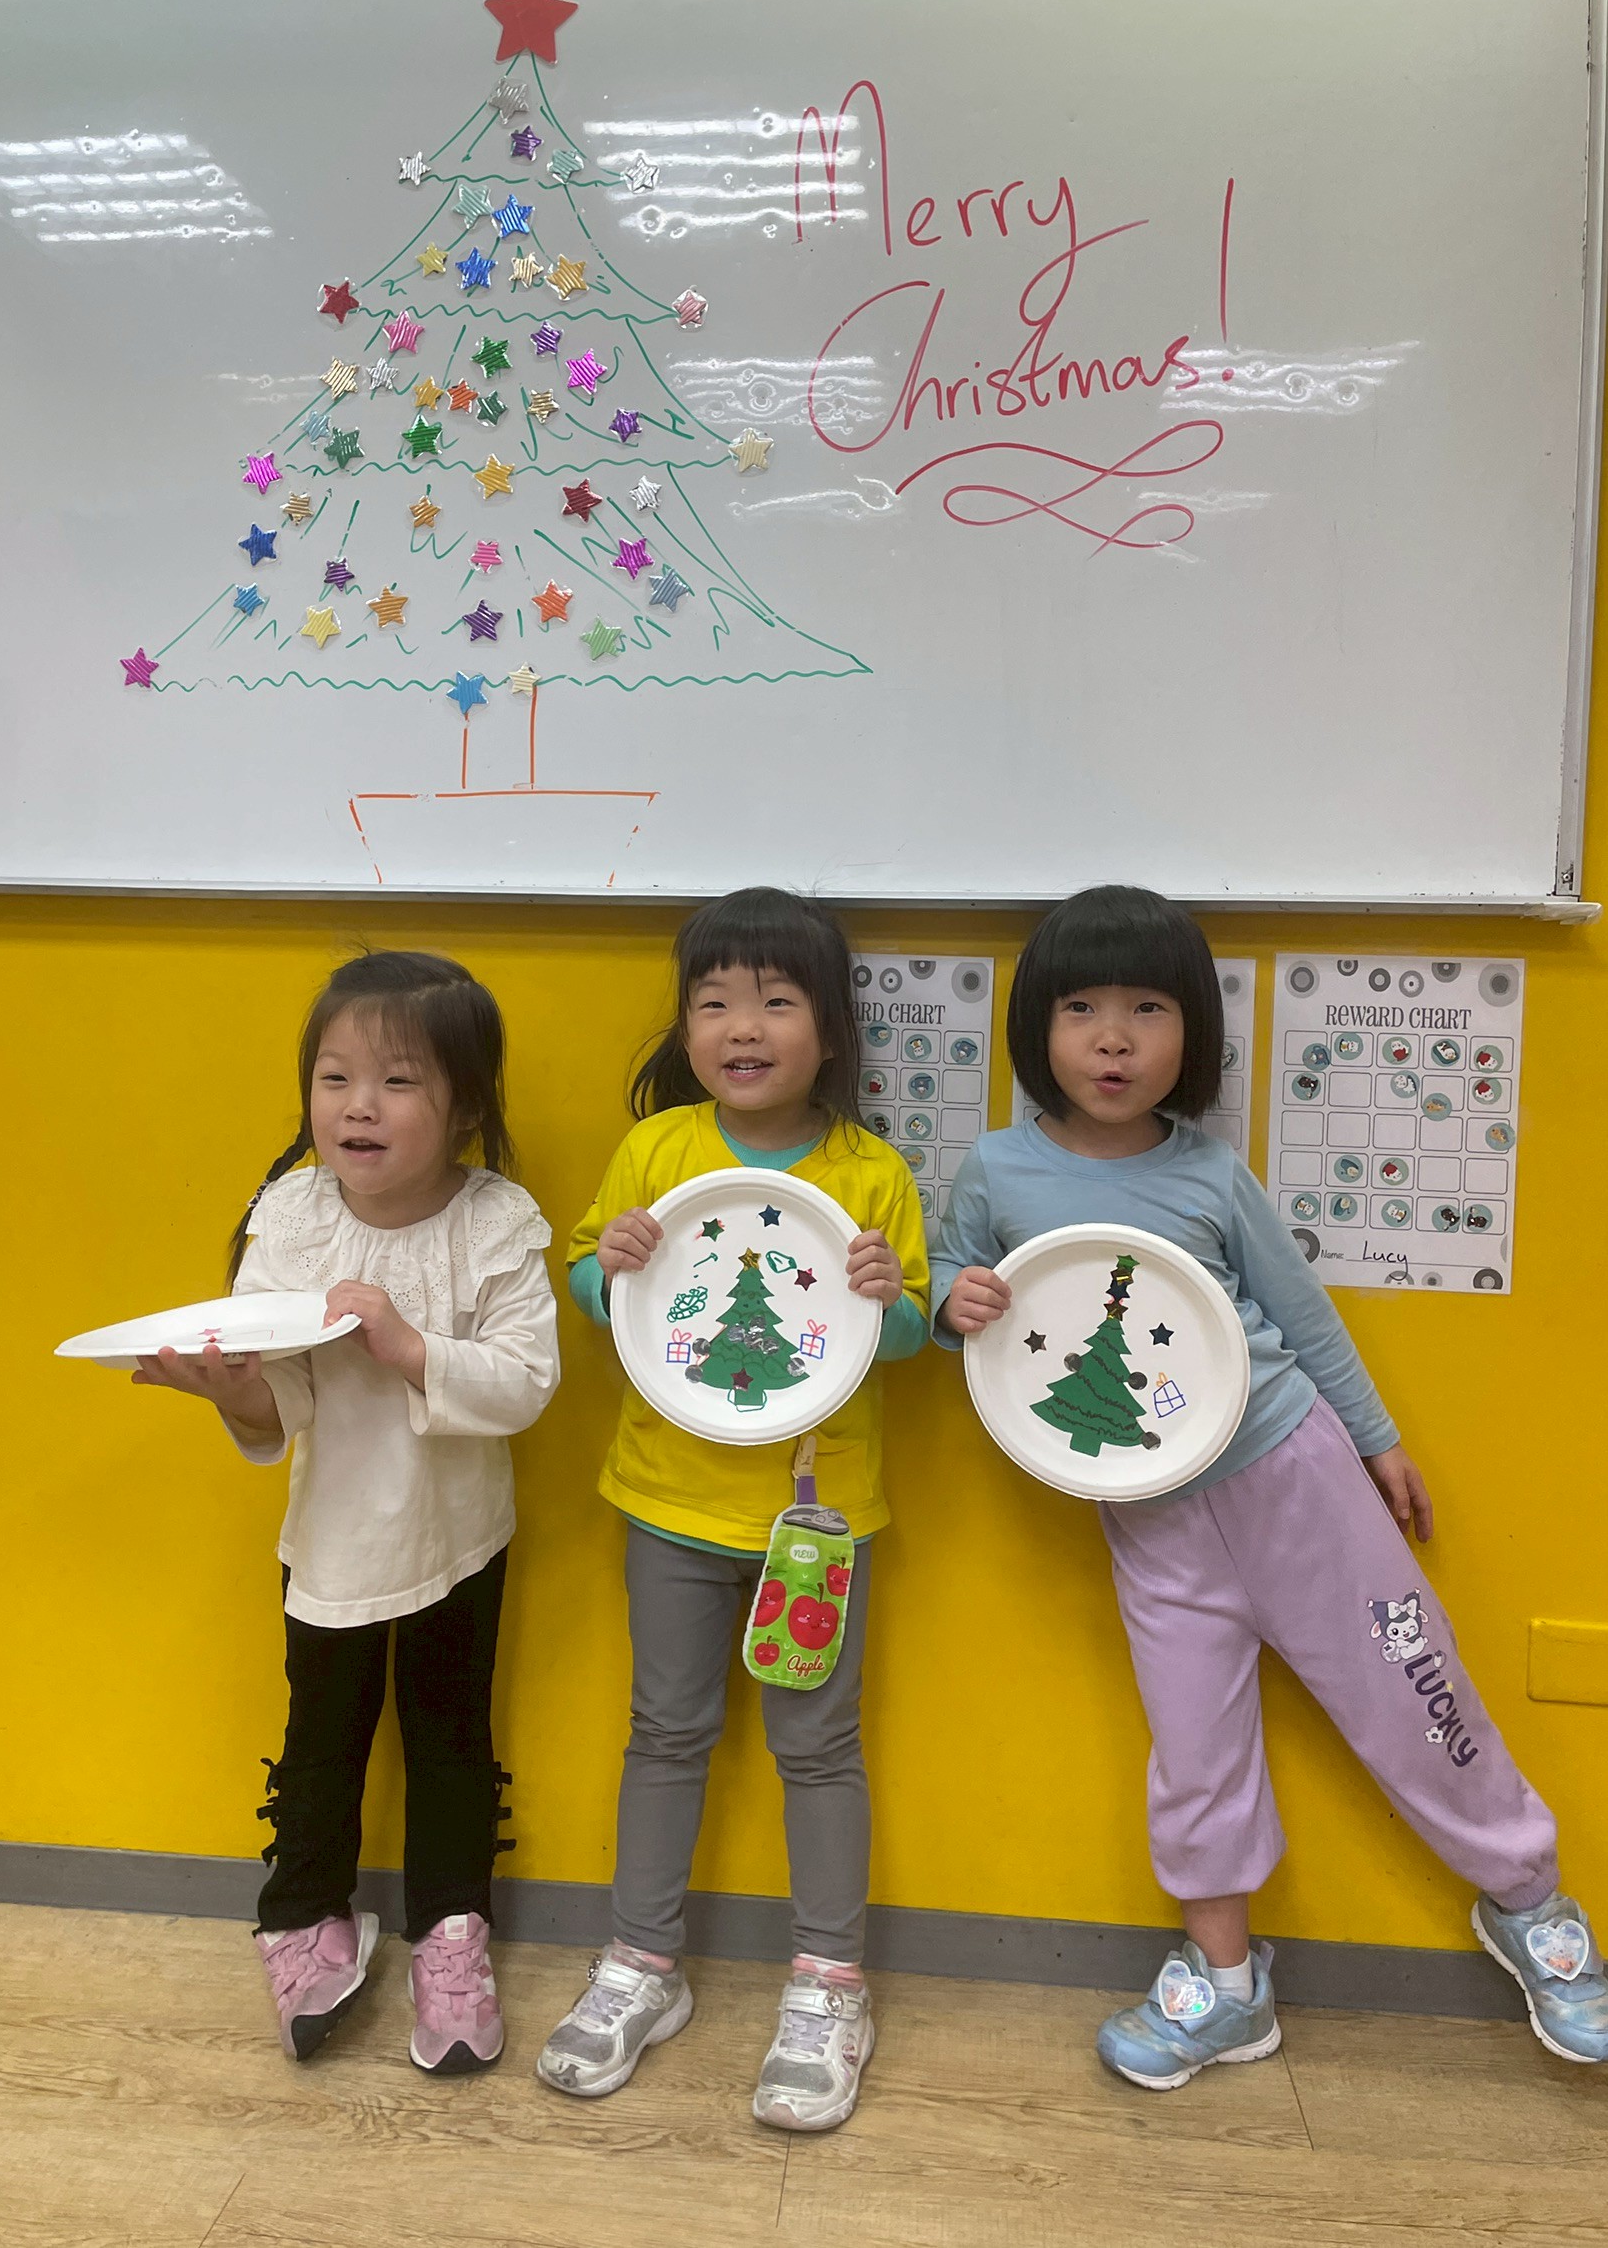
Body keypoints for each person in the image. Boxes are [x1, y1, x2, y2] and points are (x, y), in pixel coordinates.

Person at [932, 885, 1605, 2087]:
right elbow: (951, 1271)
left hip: (1293, 1474)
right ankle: (1225, 1983)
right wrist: (951, 1299)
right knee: (1194, 1746)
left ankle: (1533, 1907)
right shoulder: (995, 1168)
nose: (1113, 1038)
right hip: (1147, 1512)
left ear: (1193, 1032)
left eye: (1148, 1009)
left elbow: (1298, 1310)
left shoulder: (1207, 1172)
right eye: (1081, 1009)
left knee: (1412, 1688)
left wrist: (1375, 1440)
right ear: (1036, 1027)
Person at [536, 888, 929, 2131]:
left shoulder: (869, 1173)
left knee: (818, 1749)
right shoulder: (657, 1152)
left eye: (774, 1000)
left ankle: (829, 1984)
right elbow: (587, 1280)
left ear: (830, 1029)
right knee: (664, 1733)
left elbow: (908, 1336)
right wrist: (608, 1268)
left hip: (815, 1525)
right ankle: (641, 1964)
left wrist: (891, 1299)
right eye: (711, 1003)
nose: (741, 1025)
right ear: (686, 1027)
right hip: (667, 1503)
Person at [132, 951, 558, 2075]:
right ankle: (305, 1915)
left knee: (452, 1742)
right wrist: (230, 1392)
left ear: (466, 1108)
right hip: (330, 1540)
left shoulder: (497, 1220)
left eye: (398, 1081)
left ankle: (452, 1930)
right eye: (335, 1079)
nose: (358, 1106)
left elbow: (525, 1385)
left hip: (459, 1539)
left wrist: (408, 1344)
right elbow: (280, 1405)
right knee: (318, 1743)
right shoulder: (291, 1215)